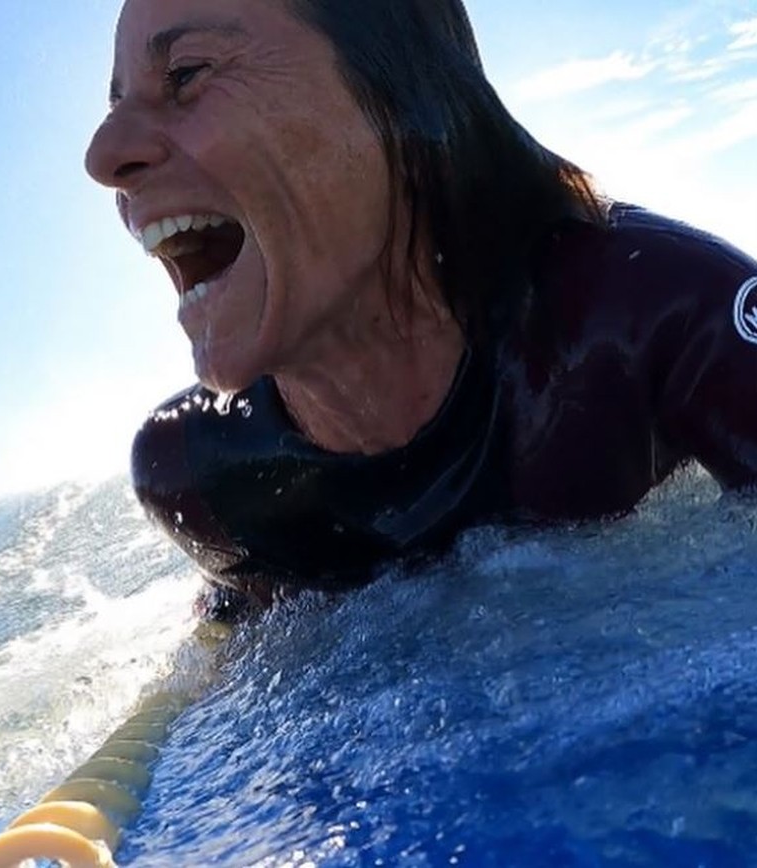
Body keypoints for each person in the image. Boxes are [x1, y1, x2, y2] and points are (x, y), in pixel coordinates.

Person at [84, 0, 757, 619]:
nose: (103, 156)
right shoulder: (204, 477)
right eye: (116, 106)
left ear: (404, 97)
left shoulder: (651, 313)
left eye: (187, 74)